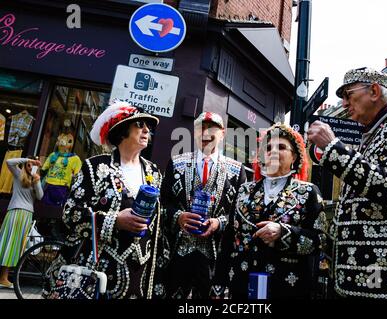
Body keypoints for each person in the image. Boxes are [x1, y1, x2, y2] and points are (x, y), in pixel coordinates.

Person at [307, 67, 387, 299]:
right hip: (350, 277)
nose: (344, 104)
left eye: (348, 95)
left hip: (384, 278)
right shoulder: (369, 140)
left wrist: (334, 148)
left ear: (374, 91)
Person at [45, 101, 169, 299]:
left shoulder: (153, 172)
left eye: (148, 126)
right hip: (97, 272)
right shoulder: (94, 167)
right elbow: (71, 213)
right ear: (121, 131)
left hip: (140, 274)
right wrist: (114, 220)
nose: (147, 130)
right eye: (139, 125)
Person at [211, 123, 328, 299]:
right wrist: (219, 283)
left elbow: (320, 240)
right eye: (268, 147)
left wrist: (284, 233)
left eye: (281, 147)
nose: (273, 151)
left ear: (294, 156)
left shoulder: (309, 192)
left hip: (287, 288)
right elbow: (228, 240)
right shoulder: (244, 190)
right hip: (243, 286)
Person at [161, 111, 246, 299]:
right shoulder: (176, 163)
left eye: (211, 128)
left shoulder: (236, 170)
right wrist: (179, 217)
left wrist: (219, 223)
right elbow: (163, 204)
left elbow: (240, 214)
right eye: (201, 128)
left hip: (215, 259)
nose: (205, 133)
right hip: (178, 256)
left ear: (222, 133)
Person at [0, 156, 43, 288]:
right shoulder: (19, 175)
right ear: (25, 166)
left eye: (33, 165)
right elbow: (9, 162)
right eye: (28, 165)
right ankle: (3, 278)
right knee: (7, 242)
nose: (31, 167)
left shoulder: (35, 179)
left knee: (13, 245)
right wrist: (26, 159)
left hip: (26, 216)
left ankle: (3, 277)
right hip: (15, 213)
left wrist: (37, 182)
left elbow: (40, 196)